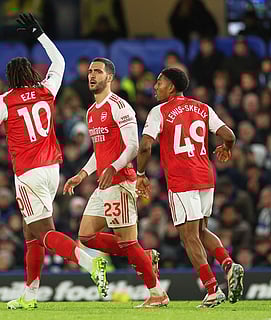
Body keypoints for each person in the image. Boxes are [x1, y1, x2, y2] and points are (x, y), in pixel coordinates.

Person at [0, 13, 108, 310]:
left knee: (43, 232)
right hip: (52, 169)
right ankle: (30, 294)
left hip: (28, 173)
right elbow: (60, 62)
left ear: (10, 79)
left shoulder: (4, 100)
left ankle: (89, 262)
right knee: (30, 232)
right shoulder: (47, 90)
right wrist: (40, 35)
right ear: (31, 72)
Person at [63, 57, 168, 308]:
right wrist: (82, 174)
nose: (92, 76)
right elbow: (99, 151)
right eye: (89, 71)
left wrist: (113, 167)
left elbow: (133, 146)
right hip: (103, 183)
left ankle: (157, 293)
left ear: (109, 77)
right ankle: (143, 257)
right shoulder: (90, 112)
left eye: (97, 72)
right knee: (86, 236)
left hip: (120, 181)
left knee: (127, 242)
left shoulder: (120, 106)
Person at [135, 67, 244, 308]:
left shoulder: (159, 111)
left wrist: (140, 173)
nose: (155, 87)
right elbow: (230, 134)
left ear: (171, 86)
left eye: (159, 82)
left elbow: (144, 146)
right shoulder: (203, 107)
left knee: (189, 236)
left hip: (181, 179)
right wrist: (227, 149)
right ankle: (227, 264)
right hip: (206, 176)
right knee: (202, 230)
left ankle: (212, 290)